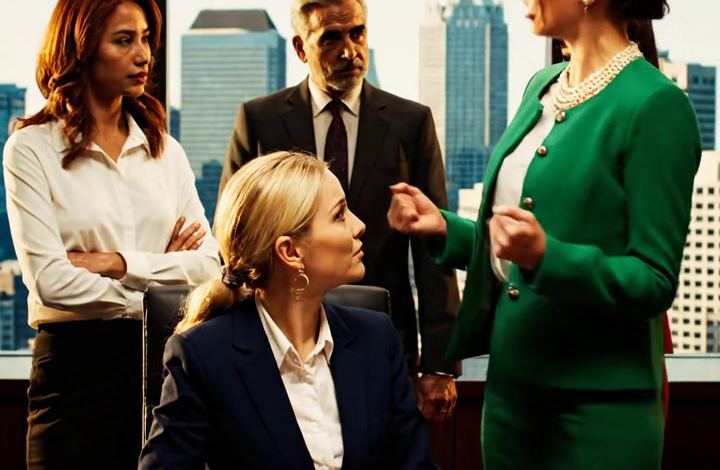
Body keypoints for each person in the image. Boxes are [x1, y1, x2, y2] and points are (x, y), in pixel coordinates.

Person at [387, 0, 700, 468]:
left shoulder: (657, 104)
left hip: (597, 414)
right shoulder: (541, 85)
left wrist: (547, 257)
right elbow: (519, 245)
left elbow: (654, 280)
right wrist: (445, 228)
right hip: (510, 401)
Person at [3, 1, 220, 468]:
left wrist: (115, 263)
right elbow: (51, 282)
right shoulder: (30, 149)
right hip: (72, 373)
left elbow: (208, 267)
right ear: (80, 50)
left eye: (146, 39)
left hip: (165, 367)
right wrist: (163, 280)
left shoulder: (166, 152)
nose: (143, 55)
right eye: (124, 40)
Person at [220, 0, 460, 421]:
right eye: (331, 38)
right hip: (278, 339)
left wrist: (439, 364)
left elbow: (433, 249)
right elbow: (234, 241)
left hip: (385, 338)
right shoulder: (260, 120)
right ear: (301, 47)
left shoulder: (410, 122)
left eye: (357, 33)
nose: (349, 50)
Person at [138, 152, 438, 470]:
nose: (359, 226)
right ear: (290, 251)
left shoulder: (376, 338)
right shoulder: (203, 356)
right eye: (339, 215)